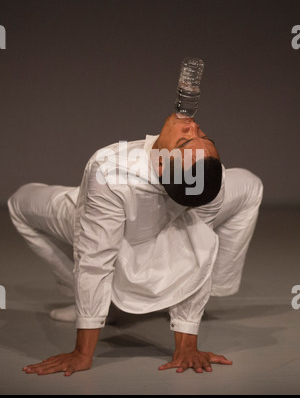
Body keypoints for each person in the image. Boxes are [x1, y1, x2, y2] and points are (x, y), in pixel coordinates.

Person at [7, 113, 263, 376]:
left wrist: (187, 343)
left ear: (164, 165)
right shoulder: (118, 174)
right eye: (199, 135)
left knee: (19, 203)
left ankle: (128, 299)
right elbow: (98, 256)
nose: (194, 126)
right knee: (249, 184)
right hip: (103, 211)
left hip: (156, 219)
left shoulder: (115, 169)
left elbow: (96, 262)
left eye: (188, 139)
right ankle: (106, 302)